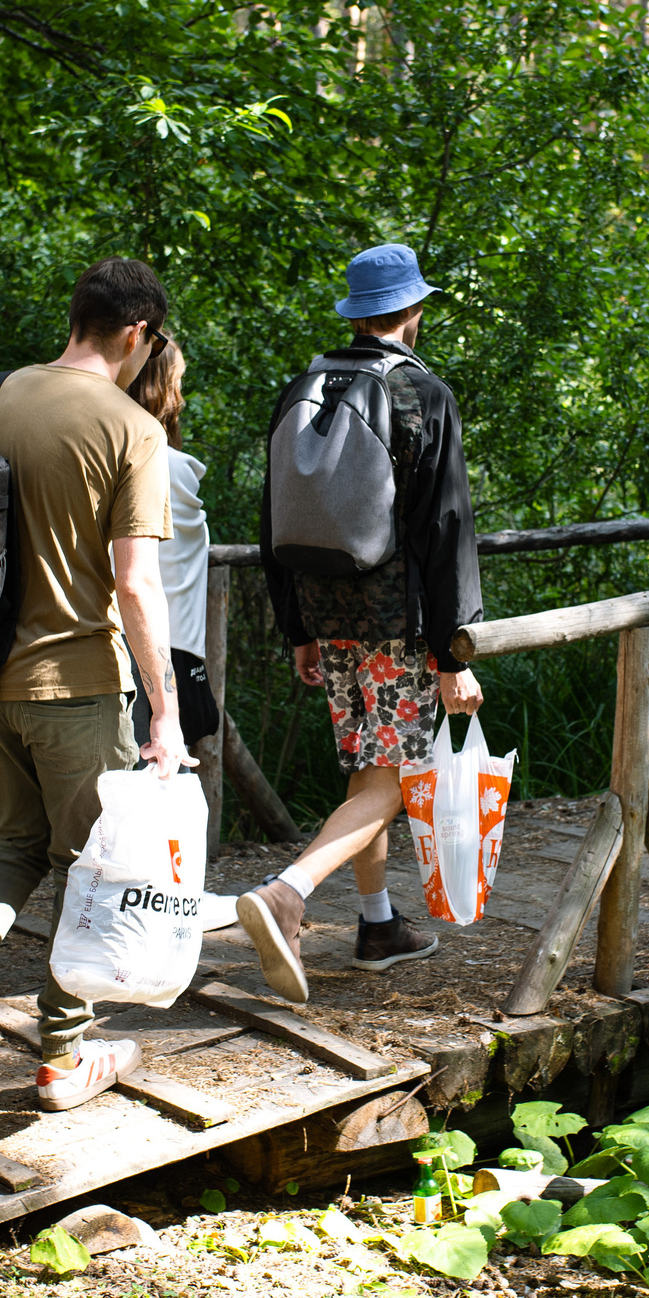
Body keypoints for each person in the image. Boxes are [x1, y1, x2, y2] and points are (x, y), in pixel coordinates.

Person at [0, 258, 300, 1110]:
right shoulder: (132, 431)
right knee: (96, 871)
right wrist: (163, 709)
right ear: (137, 334)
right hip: (76, 687)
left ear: (77, 317)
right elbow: (136, 584)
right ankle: (62, 1054)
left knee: (14, 843)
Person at [239, 244, 485, 976]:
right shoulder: (422, 394)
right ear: (413, 311)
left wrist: (297, 628)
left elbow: (271, 516)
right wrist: (452, 657)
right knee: (393, 779)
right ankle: (288, 893)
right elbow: (447, 531)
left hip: (325, 610)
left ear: (356, 312)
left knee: (370, 771)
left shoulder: (303, 386)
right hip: (395, 623)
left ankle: (378, 926)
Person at [127, 338, 222, 752]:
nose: (180, 396)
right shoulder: (168, 468)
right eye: (177, 382)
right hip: (157, 659)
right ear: (160, 387)